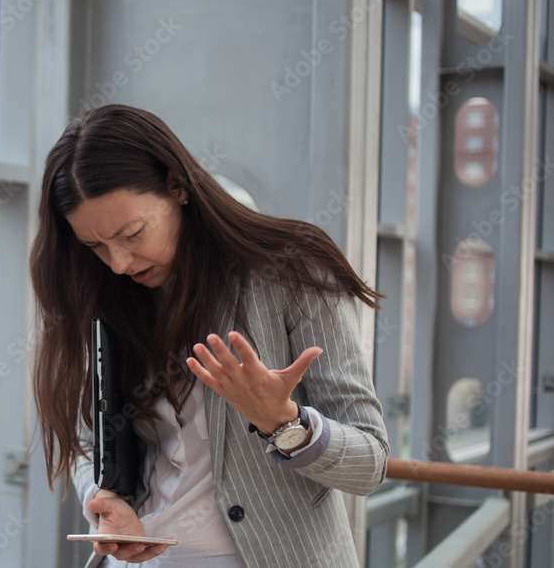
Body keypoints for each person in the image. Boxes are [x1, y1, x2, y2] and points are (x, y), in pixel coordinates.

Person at [29, 105, 389, 567]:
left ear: (177, 185)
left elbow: (370, 465)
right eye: (95, 246)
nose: (118, 262)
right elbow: (88, 438)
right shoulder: (105, 296)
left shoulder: (293, 272)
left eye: (132, 233)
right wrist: (104, 498)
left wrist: (284, 422)